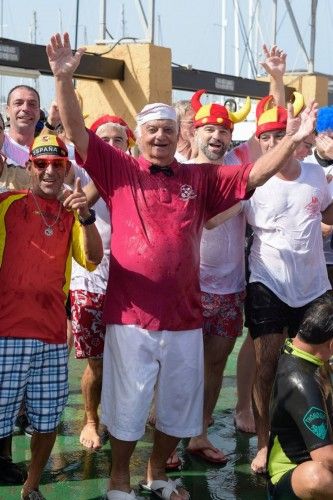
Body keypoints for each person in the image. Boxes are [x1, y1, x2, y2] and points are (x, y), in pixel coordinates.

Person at [47, 31, 318, 500]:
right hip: (130, 317)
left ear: (180, 136)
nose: (159, 136)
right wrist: (63, 78)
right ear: (140, 133)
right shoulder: (120, 168)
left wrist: (291, 138)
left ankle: (156, 475)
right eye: (152, 129)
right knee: (129, 406)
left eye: (168, 130)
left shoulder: (200, 176)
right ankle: (118, 482)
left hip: (185, 318)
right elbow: (75, 133)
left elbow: (253, 172)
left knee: (177, 408)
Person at [0, 133, 103, 499]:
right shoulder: (7, 204)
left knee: (46, 420)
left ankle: (31, 486)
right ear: (28, 167)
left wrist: (85, 215)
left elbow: (92, 258)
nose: (48, 170)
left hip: (50, 337)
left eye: (56, 164)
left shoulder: (73, 215)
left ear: (66, 169)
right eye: (41, 164)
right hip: (5, 333)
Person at [244, 94, 333, 474]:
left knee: (319, 367)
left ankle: (316, 439)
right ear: (260, 142)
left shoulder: (315, 173)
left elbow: (327, 210)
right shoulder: (252, 180)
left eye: (282, 134)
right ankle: (264, 443)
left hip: (313, 285)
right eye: (267, 136)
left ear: (297, 138)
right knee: (266, 367)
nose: (274, 142)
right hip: (267, 283)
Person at [185, 88, 251, 464]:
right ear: (194, 132)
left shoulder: (239, 172)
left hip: (229, 289)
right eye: (208, 129)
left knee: (214, 363)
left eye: (223, 131)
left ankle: (199, 431)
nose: (216, 137)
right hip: (186, 287)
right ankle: (167, 430)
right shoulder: (178, 168)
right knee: (177, 361)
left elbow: (266, 142)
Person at [70, 115, 135, 450]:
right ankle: (91, 420)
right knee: (96, 362)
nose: (112, 146)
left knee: (128, 360)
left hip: (131, 286)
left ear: (129, 145)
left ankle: (119, 415)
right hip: (91, 281)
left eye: (119, 141)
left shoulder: (137, 174)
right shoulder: (81, 172)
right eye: (104, 140)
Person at [267, 295, 333, 499]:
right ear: (331, 345)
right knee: (316, 477)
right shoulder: (301, 381)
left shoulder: (296, 349)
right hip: (289, 478)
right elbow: (326, 459)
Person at [2, 85, 41, 165]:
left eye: (32, 104)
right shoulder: (1, 144)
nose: (25, 108)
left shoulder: (48, 151)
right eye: (18, 103)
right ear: (8, 111)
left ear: (39, 113)